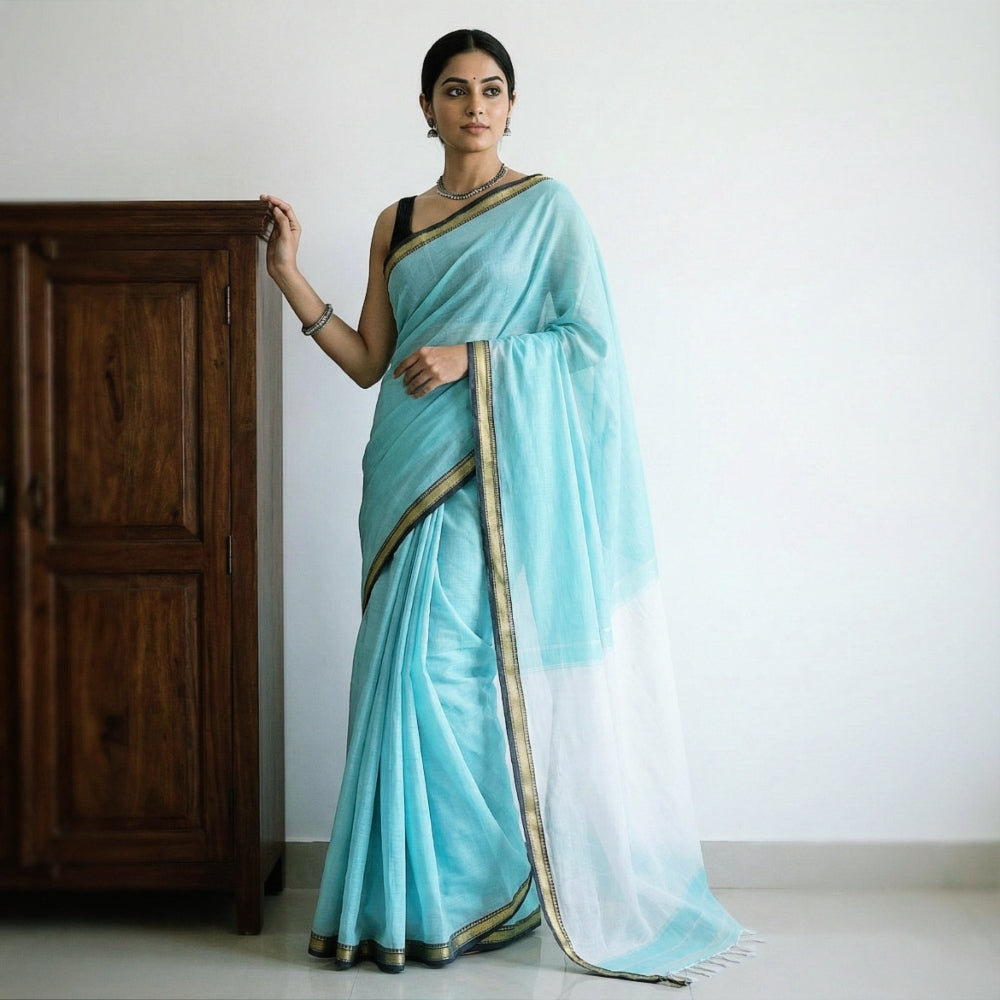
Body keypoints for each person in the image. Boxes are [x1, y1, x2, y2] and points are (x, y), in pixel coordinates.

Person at [262, 28, 753, 987]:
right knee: (390, 678)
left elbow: (587, 342)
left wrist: (474, 358)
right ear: (426, 107)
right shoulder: (397, 221)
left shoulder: (548, 209)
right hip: (401, 472)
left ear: (513, 105)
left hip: (482, 473)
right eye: (455, 90)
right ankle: (398, 902)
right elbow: (368, 361)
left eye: (491, 90)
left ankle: (478, 892)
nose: (474, 106)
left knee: (446, 677)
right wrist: (287, 275)